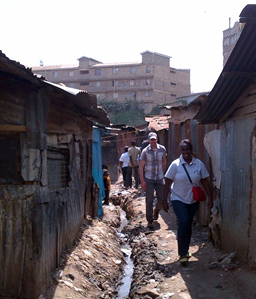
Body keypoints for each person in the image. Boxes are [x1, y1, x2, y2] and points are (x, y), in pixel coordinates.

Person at [163, 139, 213, 264]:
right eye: (183, 150)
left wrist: (210, 197)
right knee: (183, 221)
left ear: (191, 150)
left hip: (193, 200)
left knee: (188, 224)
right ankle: (182, 253)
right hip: (178, 198)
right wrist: (163, 200)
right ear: (180, 151)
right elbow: (167, 182)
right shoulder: (175, 165)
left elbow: (205, 181)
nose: (185, 152)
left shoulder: (198, 164)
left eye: (187, 149)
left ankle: (185, 251)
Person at [139, 132, 167, 229]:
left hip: (159, 177)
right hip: (149, 178)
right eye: (151, 139)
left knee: (162, 198)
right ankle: (150, 220)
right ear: (148, 140)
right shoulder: (145, 151)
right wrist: (142, 181)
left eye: (154, 139)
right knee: (149, 199)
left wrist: (163, 173)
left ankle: (157, 210)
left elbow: (164, 161)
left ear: (157, 139)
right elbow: (141, 166)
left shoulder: (162, 149)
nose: (153, 141)